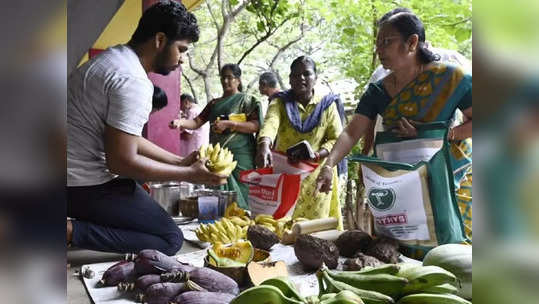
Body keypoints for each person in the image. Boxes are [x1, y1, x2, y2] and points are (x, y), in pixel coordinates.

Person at [67, 1, 226, 256]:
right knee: (169, 239)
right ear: (160, 40)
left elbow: (126, 138)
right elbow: (121, 162)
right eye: (181, 49)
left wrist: (180, 162)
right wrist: (189, 175)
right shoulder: (133, 81)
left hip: (69, 175)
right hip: (81, 184)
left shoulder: (113, 59)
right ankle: (70, 231)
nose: (182, 60)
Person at [315, 11, 472, 239]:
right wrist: (329, 164)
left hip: (445, 177)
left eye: (387, 42)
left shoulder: (451, 79)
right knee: (402, 246)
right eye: (378, 43)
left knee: (448, 248)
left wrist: (443, 134)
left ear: (412, 43)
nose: (379, 49)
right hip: (400, 181)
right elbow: (351, 132)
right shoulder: (378, 91)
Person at [361, 7, 472, 155]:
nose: (380, 49)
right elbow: (368, 121)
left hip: (443, 159)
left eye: (388, 41)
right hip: (394, 159)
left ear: (412, 40)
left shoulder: (453, 65)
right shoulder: (380, 76)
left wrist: (440, 134)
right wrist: (366, 154)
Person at [256, 56, 346, 229]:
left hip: (317, 178)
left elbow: (337, 138)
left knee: (314, 231)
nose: (301, 78)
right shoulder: (280, 102)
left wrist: (317, 154)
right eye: (296, 75)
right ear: (290, 79)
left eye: (306, 74)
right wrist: (264, 144)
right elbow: (270, 123)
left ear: (315, 78)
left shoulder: (327, 105)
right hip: (286, 177)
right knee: (283, 227)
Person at [170, 64, 263, 209]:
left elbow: (256, 125)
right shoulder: (214, 103)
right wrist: (180, 122)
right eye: (223, 77)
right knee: (218, 186)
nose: (225, 81)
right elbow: (196, 122)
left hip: (242, 153)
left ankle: (243, 220)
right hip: (218, 155)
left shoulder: (247, 100)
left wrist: (230, 124)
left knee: (243, 189)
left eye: (229, 78)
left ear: (238, 80)